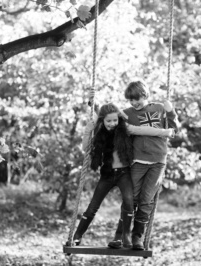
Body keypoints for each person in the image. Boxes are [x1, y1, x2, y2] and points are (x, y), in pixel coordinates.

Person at [68, 103, 175, 248]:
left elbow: (144, 129)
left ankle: (125, 237)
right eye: (108, 121)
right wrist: (89, 128)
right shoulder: (99, 134)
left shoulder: (125, 130)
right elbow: (86, 147)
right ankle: (77, 236)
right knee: (93, 206)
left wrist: (165, 132)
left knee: (129, 202)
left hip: (124, 174)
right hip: (107, 175)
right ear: (102, 121)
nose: (112, 124)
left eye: (115, 120)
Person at [108, 80, 179, 250]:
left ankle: (137, 237)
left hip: (158, 162)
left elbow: (174, 130)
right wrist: (92, 102)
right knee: (130, 198)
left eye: (137, 99)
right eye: (131, 100)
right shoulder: (127, 113)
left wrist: (170, 111)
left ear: (145, 95)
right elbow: (107, 117)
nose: (134, 103)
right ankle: (120, 236)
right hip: (138, 161)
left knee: (146, 200)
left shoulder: (159, 109)